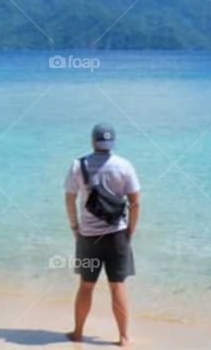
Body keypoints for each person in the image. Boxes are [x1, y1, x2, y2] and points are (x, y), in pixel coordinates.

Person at [63, 122, 141, 346]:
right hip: (117, 235)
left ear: (92, 141)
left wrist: (74, 227)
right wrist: (130, 232)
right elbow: (136, 203)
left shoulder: (78, 166)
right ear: (113, 142)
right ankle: (123, 338)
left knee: (86, 285)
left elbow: (69, 198)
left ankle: (78, 333)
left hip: (88, 237)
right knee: (117, 286)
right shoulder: (124, 166)